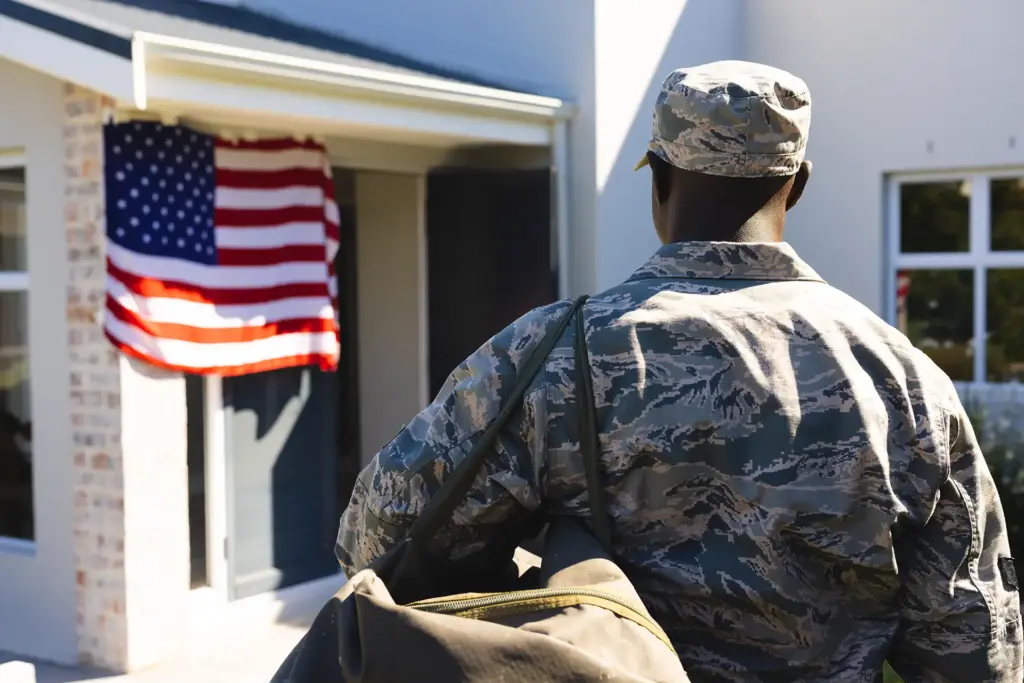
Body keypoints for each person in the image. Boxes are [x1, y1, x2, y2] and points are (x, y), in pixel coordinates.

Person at [336, 60, 1023, 682]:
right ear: (798, 184)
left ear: (657, 181)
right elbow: (975, 648)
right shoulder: (901, 379)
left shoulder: (551, 354)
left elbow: (377, 541)